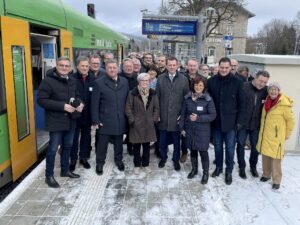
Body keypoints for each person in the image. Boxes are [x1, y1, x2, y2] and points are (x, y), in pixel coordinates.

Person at [38, 57, 83, 188]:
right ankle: (49, 176)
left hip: (71, 120)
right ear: (56, 66)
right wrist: (62, 106)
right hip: (55, 121)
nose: (64, 68)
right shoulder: (47, 81)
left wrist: (80, 104)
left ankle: (65, 170)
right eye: (61, 65)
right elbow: (41, 101)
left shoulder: (72, 80)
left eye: (67, 66)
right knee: (52, 149)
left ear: (70, 68)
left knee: (68, 146)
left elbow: (77, 95)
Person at [207, 57, 245, 185]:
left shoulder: (238, 82)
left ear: (230, 68)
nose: (224, 70)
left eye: (226, 68)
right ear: (218, 67)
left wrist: (239, 122)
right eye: (221, 67)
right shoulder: (211, 81)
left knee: (229, 148)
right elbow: (208, 100)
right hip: (216, 121)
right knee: (217, 147)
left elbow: (242, 104)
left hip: (231, 122)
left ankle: (229, 170)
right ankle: (218, 167)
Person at [91, 59, 129, 175]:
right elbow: (94, 103)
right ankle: (99, 163)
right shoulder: (99, 83)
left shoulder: (124, 81)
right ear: (106, 69)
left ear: (118, 69)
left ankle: (119, 161)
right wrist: (96, 120)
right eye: (109, 68)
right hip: (105, 120)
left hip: (120, 119)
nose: (112, 70)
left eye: (114, 67)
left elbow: (128, 100)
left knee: (118, 143)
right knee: (102, 144)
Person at [257, 82, 295, 190]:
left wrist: (286, 135)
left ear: (279, 91)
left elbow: (290, 121)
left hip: (277, 137)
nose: (273, 91)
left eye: (275, 89)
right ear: (268, 91)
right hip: (265, 134)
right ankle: (266, 174)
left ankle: (277, 180)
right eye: (271, 89)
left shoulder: (284, 105)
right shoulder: (266, 102)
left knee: (276, 159)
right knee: (265, 156)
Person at [180, 76, 216, 184]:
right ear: (193, 85)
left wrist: (199, 118)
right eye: (196, 85)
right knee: (193, 150)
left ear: (204, 86)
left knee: (203, 152)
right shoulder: (188, 98)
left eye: (200, 85)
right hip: (190, 129)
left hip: (203, 131)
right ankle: (194, 169)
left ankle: (205, 173)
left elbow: (213, 115)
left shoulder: (208, 99)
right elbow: (183, 114)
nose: (198, 87)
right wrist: (181, 127)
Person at [156, 56, 189, 171]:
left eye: (174, 65)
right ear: (166, 65)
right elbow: (157, 97)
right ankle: (163, 157)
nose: (171, 67)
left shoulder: (184, 79)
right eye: (169, 65)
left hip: (177, 116)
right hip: (163, 116)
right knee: (162, 140)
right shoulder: (160, 78)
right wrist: (157, 113)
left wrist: (182, 114)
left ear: (177, 65)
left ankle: (175, 160)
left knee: (176, 141)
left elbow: (186, 98)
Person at [236, 70, 270, 179]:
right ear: (255, 77)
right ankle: (242, 167)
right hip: (243, 124)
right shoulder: (244, 87)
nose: (262, 84)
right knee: (241, 145)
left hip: (256, 125)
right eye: (260, 81)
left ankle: (253, 166)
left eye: (265, 82)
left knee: (255, 148)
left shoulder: (266, 91)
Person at [125, 73, 160, 173]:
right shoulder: (133, 93)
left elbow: (157, 108)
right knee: (136, 146)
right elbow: (128, 108)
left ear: (149, 82)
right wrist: (132, 120)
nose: (145, 82)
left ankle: (145, 164)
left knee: (146, 145)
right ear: (139, 81)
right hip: (136, 123)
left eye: (146, 80)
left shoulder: (153, 93)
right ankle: (137, 164)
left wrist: (154, 119)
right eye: (142, 80)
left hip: (149, 123)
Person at [69, 56, 95, 172]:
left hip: (87, 114)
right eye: (82, 66)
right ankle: (73, 159)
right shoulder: (71, 78)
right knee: (74, 138)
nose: (84, 68)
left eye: (86, 66)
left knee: (86, 137)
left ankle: (83, 158)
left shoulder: (93, 78)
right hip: (74, 114)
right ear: (77, 66)